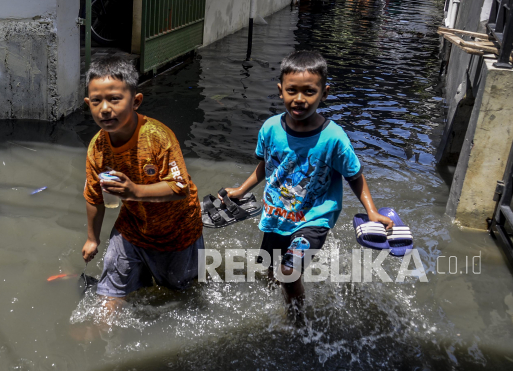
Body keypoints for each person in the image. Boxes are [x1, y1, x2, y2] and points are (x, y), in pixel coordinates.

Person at [221, 50, 393, 315]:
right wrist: (242, 189)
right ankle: (277, 307)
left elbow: (354, 176)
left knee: (287, 272)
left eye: (309, 92)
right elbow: (268, 165)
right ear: (281, 91)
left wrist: (371, 210)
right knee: (271, 271)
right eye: (292, 91)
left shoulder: (334, 138)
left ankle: (299, 322)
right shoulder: (270, 129)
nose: (299, 99)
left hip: (314, 218)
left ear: (324, 93)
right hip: (277, 216)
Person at [81, 55, 204, 312]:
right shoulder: (97, 148)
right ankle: (103, 336)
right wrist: (92, 238)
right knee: (110, 293)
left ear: (136, 101)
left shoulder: (157, 137)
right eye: (97, 101)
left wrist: (135, 191)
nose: (105, 108)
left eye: (114, 99)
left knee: (179, 295)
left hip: (177, 230)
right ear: (88, 104)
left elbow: (179, 187)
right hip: (132, 228)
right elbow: (94, 197)